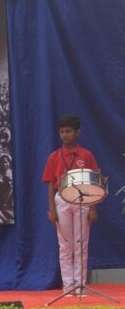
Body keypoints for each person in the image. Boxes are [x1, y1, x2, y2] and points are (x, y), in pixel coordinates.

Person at [42, 114, 99, 295]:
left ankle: (79, 285)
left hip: (83, 202)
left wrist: (93, 208)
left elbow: (94, 185)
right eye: (62, 132)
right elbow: (51, 183)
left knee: (81, 244)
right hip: (62, 201)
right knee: (65, 245)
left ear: (77, 132)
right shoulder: (54, 157)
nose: (64, 135)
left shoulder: (86, 155)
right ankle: (68, 286)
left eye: (68, 131)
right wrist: (52, 209)